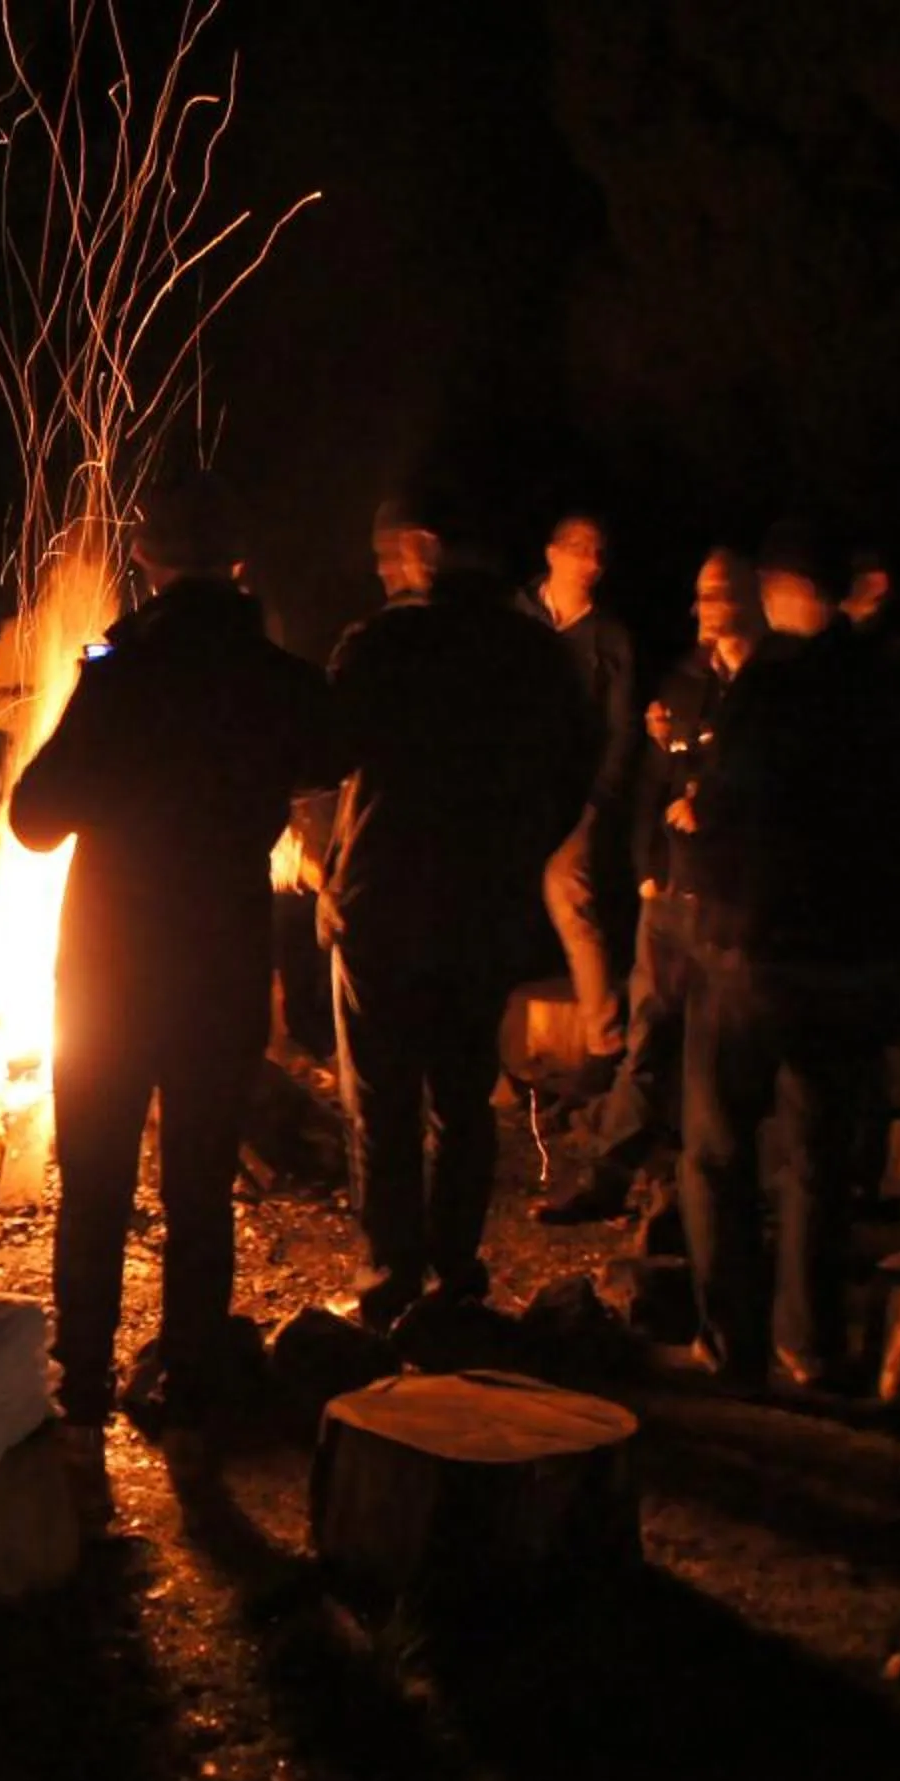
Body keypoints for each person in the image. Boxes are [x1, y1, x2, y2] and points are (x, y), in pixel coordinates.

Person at [8, 482, 331, 1489]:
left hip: (110, 963)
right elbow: (329, 747)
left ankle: (81, 1392)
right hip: (221, 961)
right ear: (237, 565)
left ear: (146, 563)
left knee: (97, 1181)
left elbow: (33, 818)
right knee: (197, 1184)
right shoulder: (276, 674)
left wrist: (105, 714)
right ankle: (191, 1393)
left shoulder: (119, 669)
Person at [325, 498, 594, 1332]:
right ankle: (454, 1277)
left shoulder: (382, 644)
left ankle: (389, 1283)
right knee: (462, 1099)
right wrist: (513, 856)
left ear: (430, 552)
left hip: (381, 904)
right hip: (481, 909)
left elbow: (321, 750)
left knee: (383, 1102)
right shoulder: (538, 658)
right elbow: (574, 772)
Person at [673, 522, 900, 1389]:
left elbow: (731, 811)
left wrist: (699, 852)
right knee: (819, 1158)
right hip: (849, 956)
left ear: (785, 589)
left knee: (718, 1151)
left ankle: (730, 1339)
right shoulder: (883, 686)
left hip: (759, 954)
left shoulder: (772, 686)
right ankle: (809, 1343)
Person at [540, 548, 761, 1222]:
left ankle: (704, 1202)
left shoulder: (769, 692)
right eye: (700, 594)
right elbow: (651, 784)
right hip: (666, 894)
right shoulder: (685, 683)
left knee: (714, 1059)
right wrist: (643, 870)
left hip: (728, 903)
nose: (705, 607)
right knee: (646, 1037)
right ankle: (610, 1178)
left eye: (720, 593)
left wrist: (712, 805)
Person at [516, 514, 640, 1091]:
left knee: (569, 888)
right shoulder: (519, 618)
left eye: (599, 554)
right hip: (515, 790)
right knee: (491, 905)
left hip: (578, 796)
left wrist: (598, 806)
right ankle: (488, 1053)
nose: (591, 563)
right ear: (552, 553)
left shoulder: (609, 639)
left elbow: (621, 732)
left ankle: (602, 1041)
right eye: (580, 551)